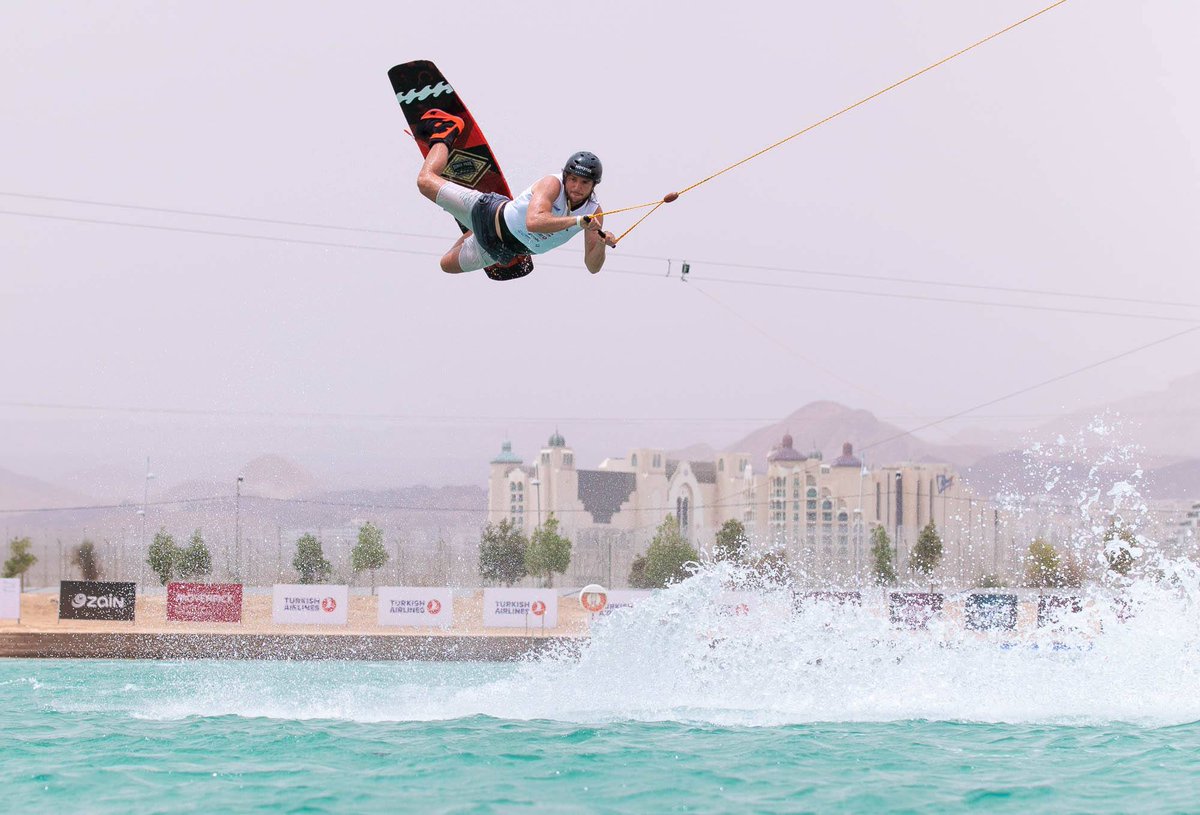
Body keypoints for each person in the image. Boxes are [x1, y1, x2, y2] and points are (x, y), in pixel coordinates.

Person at [414, 109, 616, 275]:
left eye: (584, 183)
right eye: (572, 179)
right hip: (485, 212)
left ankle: (471, 230)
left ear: (593, 185)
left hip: (499, 250)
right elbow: (534, 223)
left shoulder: (594, 211)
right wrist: (578, 221)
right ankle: (445, 129)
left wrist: (600, 244)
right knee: (425, 181)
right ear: (565, 177)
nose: (576, 187)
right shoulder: (552, 184)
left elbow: (592, 266)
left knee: (446, 265)